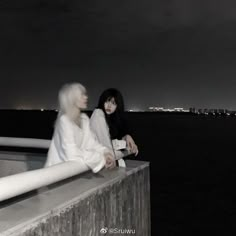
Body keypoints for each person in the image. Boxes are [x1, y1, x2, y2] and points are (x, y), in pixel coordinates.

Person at [45, 83, 115, 173]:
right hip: (57, 174)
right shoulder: (64, 120)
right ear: (72, 98)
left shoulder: (84, 119)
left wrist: (106, 152)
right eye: (82, 95)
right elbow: (71, 154)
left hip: (73, 174)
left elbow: (92, 143)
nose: (86, 97)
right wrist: (100, 158)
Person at [90, 88, 138, 167]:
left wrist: (126, 136)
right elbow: (105, 146)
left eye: (113, 103)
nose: (109, 105)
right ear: (102, 101)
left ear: (117, 106)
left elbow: (109, 142)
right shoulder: (98, 114)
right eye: (107, 101)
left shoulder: (110, 119)